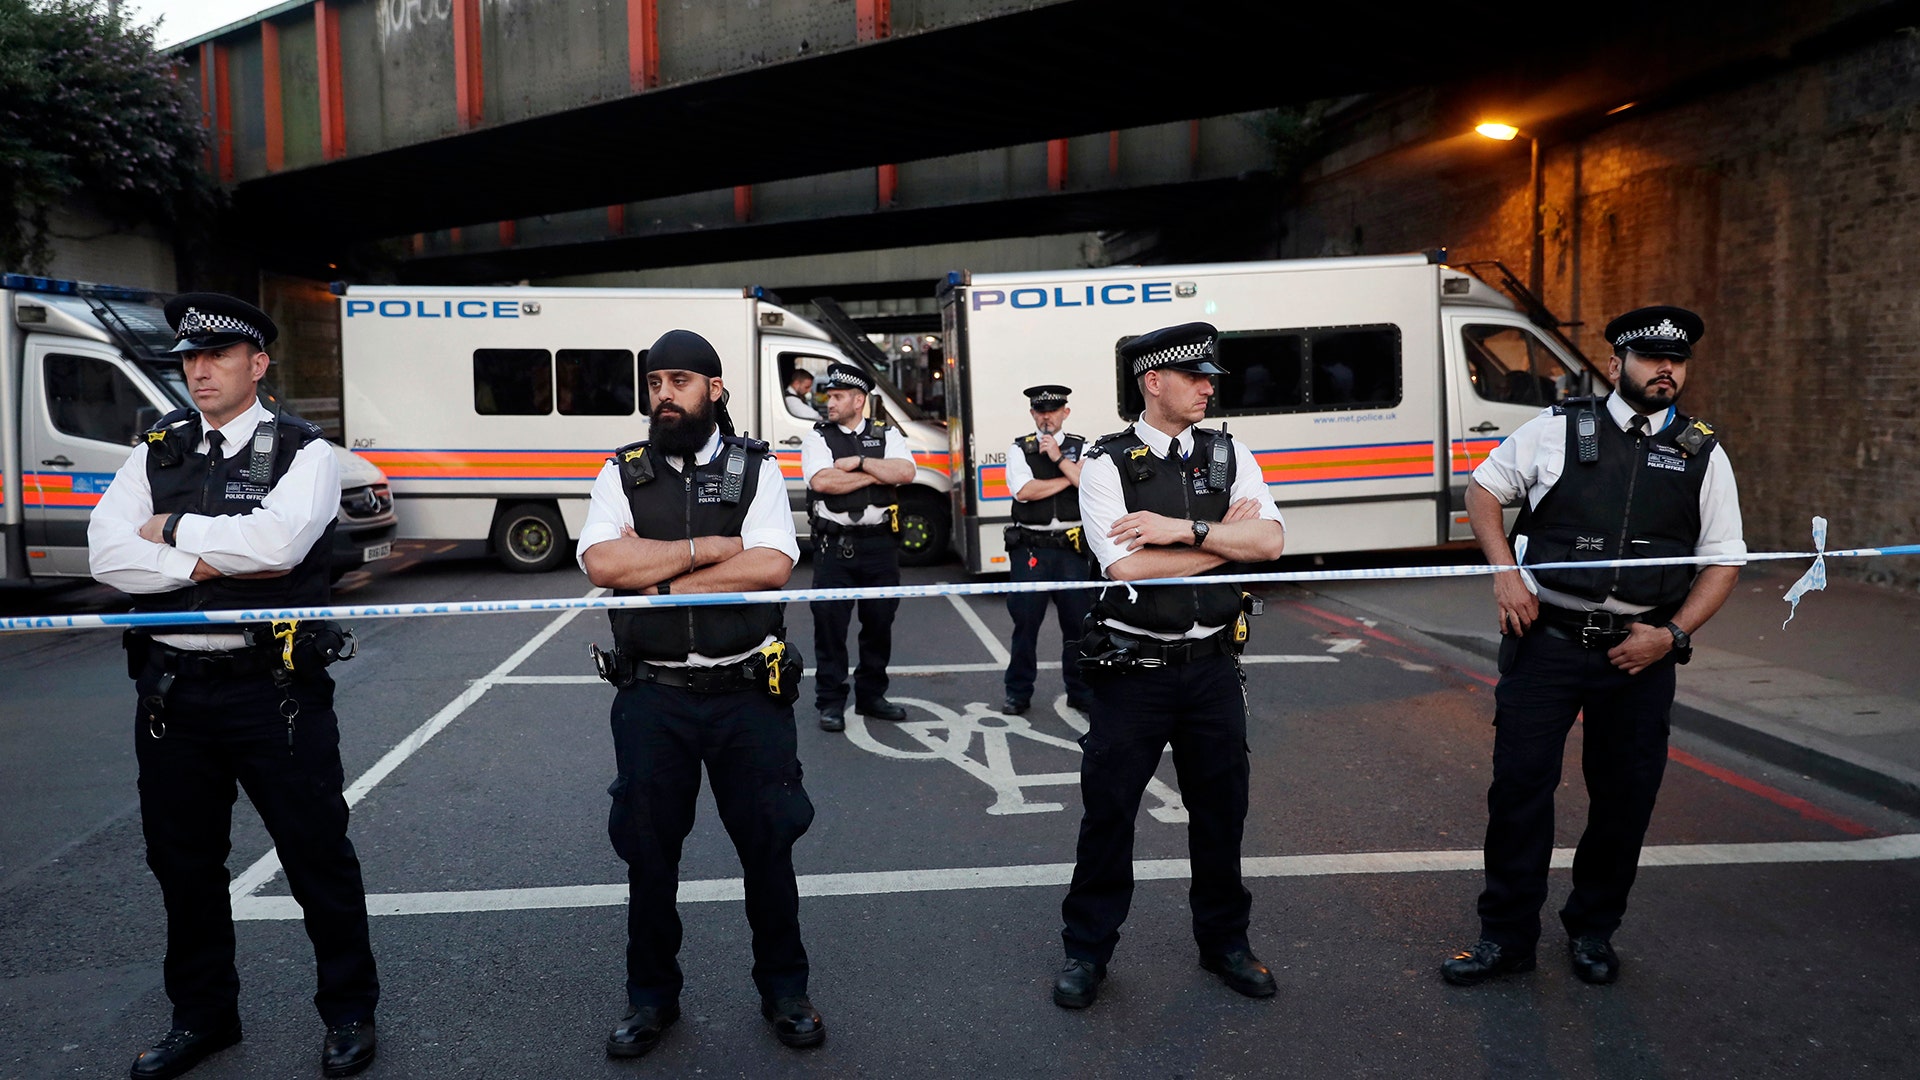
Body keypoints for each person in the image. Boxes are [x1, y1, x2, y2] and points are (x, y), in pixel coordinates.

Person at [87, 294, 379, 1079]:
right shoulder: (155, 449)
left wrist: (174, 534)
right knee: (182, 865)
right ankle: (204, 1018)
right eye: (189, 358)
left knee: (317, 854)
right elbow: (106, 556)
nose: (199, 369)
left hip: (271, 689)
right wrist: (222, 555)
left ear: (259, 364)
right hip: (172, 692)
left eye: (217, 356)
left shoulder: (304, 452)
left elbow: (281, 545)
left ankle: (350, 1012)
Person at [1440, 305, 1744, 988]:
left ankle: (1593, 931)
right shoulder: (1556, 429)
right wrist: (1506, 576)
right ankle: (1506, 937)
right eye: (1651, 359)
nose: (1666, 371)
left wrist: (1671, 635)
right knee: (1520, 791)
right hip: (1545, 639)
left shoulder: (1702, 453)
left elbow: (1723, 561)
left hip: (1637, 654)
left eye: (1677, 361)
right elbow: (1485, 490)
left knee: (1625, 798)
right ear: (1617, 366)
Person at [579, 329, 825, 1057]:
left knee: (769, 846)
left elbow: (773, 563)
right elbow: (599, 559)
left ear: (715, 390)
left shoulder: (757, 469)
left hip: (747, 691)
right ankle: (651, 999)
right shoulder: (621, 472)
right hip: (652, 695)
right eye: (655, 384)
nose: (664, 396)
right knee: (649, 855)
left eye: (680, 382)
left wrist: (654, 579)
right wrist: (707, 550)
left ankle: (785, 991)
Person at [1052, 322, 1288, 1010]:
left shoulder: (1229, 450)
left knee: (1222, 813)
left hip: (1213, 665)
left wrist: (1186, 531)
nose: (1210, 388)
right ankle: (1086, 952)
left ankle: (1225, 944)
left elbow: (1271, 542)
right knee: (1110, 815)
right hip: (1133, 672)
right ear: (1153, 382)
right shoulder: (1106, 462)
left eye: (1211, 378)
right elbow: (1127, 566)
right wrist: (1229, 544)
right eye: (1197, 377)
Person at [801, 362, 917, 732]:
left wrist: (860, 462)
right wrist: (875, 474)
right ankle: (830, 702)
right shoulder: (817, 437)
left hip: (880, 546)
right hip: (835, 547)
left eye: (837, 396)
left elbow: (905, 473)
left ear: (858, 400)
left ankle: (871, 696)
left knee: (879, 624)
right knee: (831, 629)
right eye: (829, 395)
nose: (829, 402)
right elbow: (823, 482)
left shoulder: (887, 434)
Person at [1001, 384, 1097, 716]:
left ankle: (1080, 690)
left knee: (1078, 625)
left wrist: (1057, 458)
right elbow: (1024, 491)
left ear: (1065, 413)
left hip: (1071, 549)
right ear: (1032, 414)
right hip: (1032, 549)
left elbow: (1089, 484)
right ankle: (1018, 692)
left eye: (1053, 411)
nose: (1046, 417)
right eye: (1040, 411)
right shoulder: (1020, 449)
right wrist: (1068, 476)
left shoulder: (1082, 445)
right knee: (1025, 624)